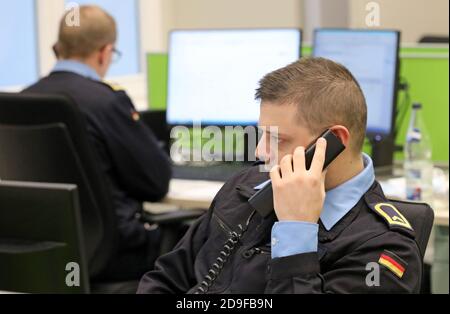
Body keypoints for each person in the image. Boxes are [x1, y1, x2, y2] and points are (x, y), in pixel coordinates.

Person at [137, 57, 423, 293]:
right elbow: (165, 279)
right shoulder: (246, 188)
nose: (260, 152)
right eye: (263, 134)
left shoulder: (384, 251)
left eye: (278, 139)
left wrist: (297, 232)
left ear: (334, 141)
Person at [23, 5, 172, 280]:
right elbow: (155, 183)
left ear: (58, 48)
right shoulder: (106, 101)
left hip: (46, 254)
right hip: (115, 256)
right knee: (195, 236)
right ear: (105, 52)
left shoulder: (23, 99)